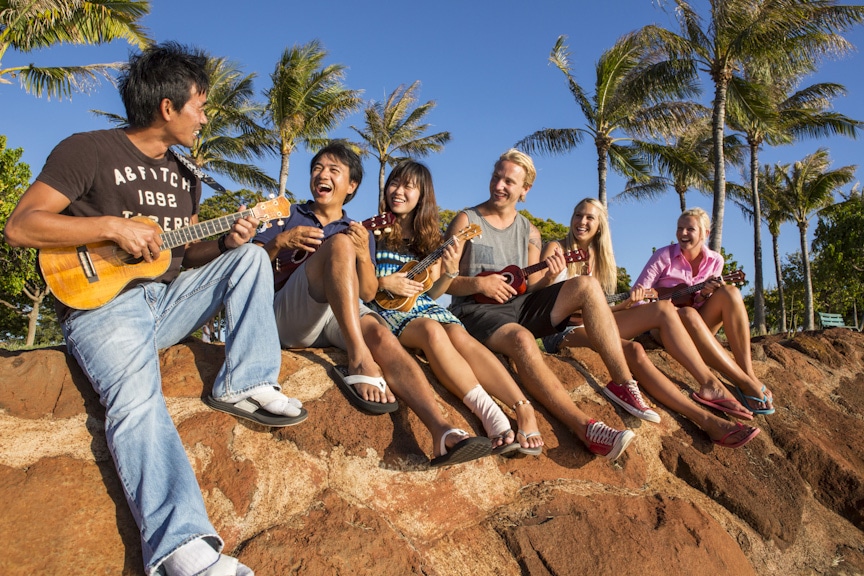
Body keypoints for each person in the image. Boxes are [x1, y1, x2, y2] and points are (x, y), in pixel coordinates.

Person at [4, 42, 305, 576]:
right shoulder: (88, 149)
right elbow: (21, 226)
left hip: (166, 300)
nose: (206, 116)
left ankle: (244, 380)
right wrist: (110, 226)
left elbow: (183, 257)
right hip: (102, 304)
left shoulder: (187, 175)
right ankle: (181, 552)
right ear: (168, 107)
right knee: (138, 402)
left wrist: (229, 241)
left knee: (252, 259)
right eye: (201, 104)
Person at [253, 142, 492, 467]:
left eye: (333, 170)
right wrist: (281, 242)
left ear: (351, 185)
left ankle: (441, 431)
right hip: (287, 314)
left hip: (332, 315)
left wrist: (364, 254)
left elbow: (366, 293)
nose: (322, 175)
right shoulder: (287, 214)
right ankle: (359, 358)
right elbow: (248, 266)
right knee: (337, 245)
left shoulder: (359, 231)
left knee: (381, 335)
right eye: (317, 168)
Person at [444, 149, 641, 461]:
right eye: (497, 176)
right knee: (522, 339)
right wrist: (478, 283)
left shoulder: (530, 232)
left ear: (525, 190)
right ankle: (585, 428)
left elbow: (531, 286)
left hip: (518, 307)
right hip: (474, 311)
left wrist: (550, 276)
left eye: (509, 181)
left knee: (587, 286)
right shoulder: (467, 220)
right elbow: (442, 281)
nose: (499, 185)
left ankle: (623, 383)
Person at [540, 199, 760, 448]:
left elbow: (598, 310)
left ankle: (709, 383)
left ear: (600, 225)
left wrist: (629, 302)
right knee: (633, 349)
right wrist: (549, 277)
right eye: (578, 215)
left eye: (590, 217)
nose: (582, 222)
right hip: (560, 331)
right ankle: (706, 420)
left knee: (664, 308)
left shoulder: (598, 258)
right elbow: (539, 300)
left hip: (592, 321)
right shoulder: (555, 248)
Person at [367, 160, 544, 456]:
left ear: (422, 195)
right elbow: (359, 283)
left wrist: (448, 271)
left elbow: (433, 293)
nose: (398, 191)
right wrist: (385, 282)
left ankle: (522, 407)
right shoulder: (372, 232)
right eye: (394, 184)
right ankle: (490, 415)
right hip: (391, 309)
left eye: (409, 187)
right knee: (432, 331)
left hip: (422, 305)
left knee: (460, 337)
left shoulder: (430, 241)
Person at [633, 207, 775, 415]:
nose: (682, 233)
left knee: (730, 293)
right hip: (662, 327)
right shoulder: (663, 256)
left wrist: (704, 295)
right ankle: (744, 383)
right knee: (686, 314)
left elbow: (698, 303)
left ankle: (748, 373)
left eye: (690, 229)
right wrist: (661, 306)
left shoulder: (715, 260)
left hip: (696, 323)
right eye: (679, 228)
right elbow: (637, 297)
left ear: (705, 233)